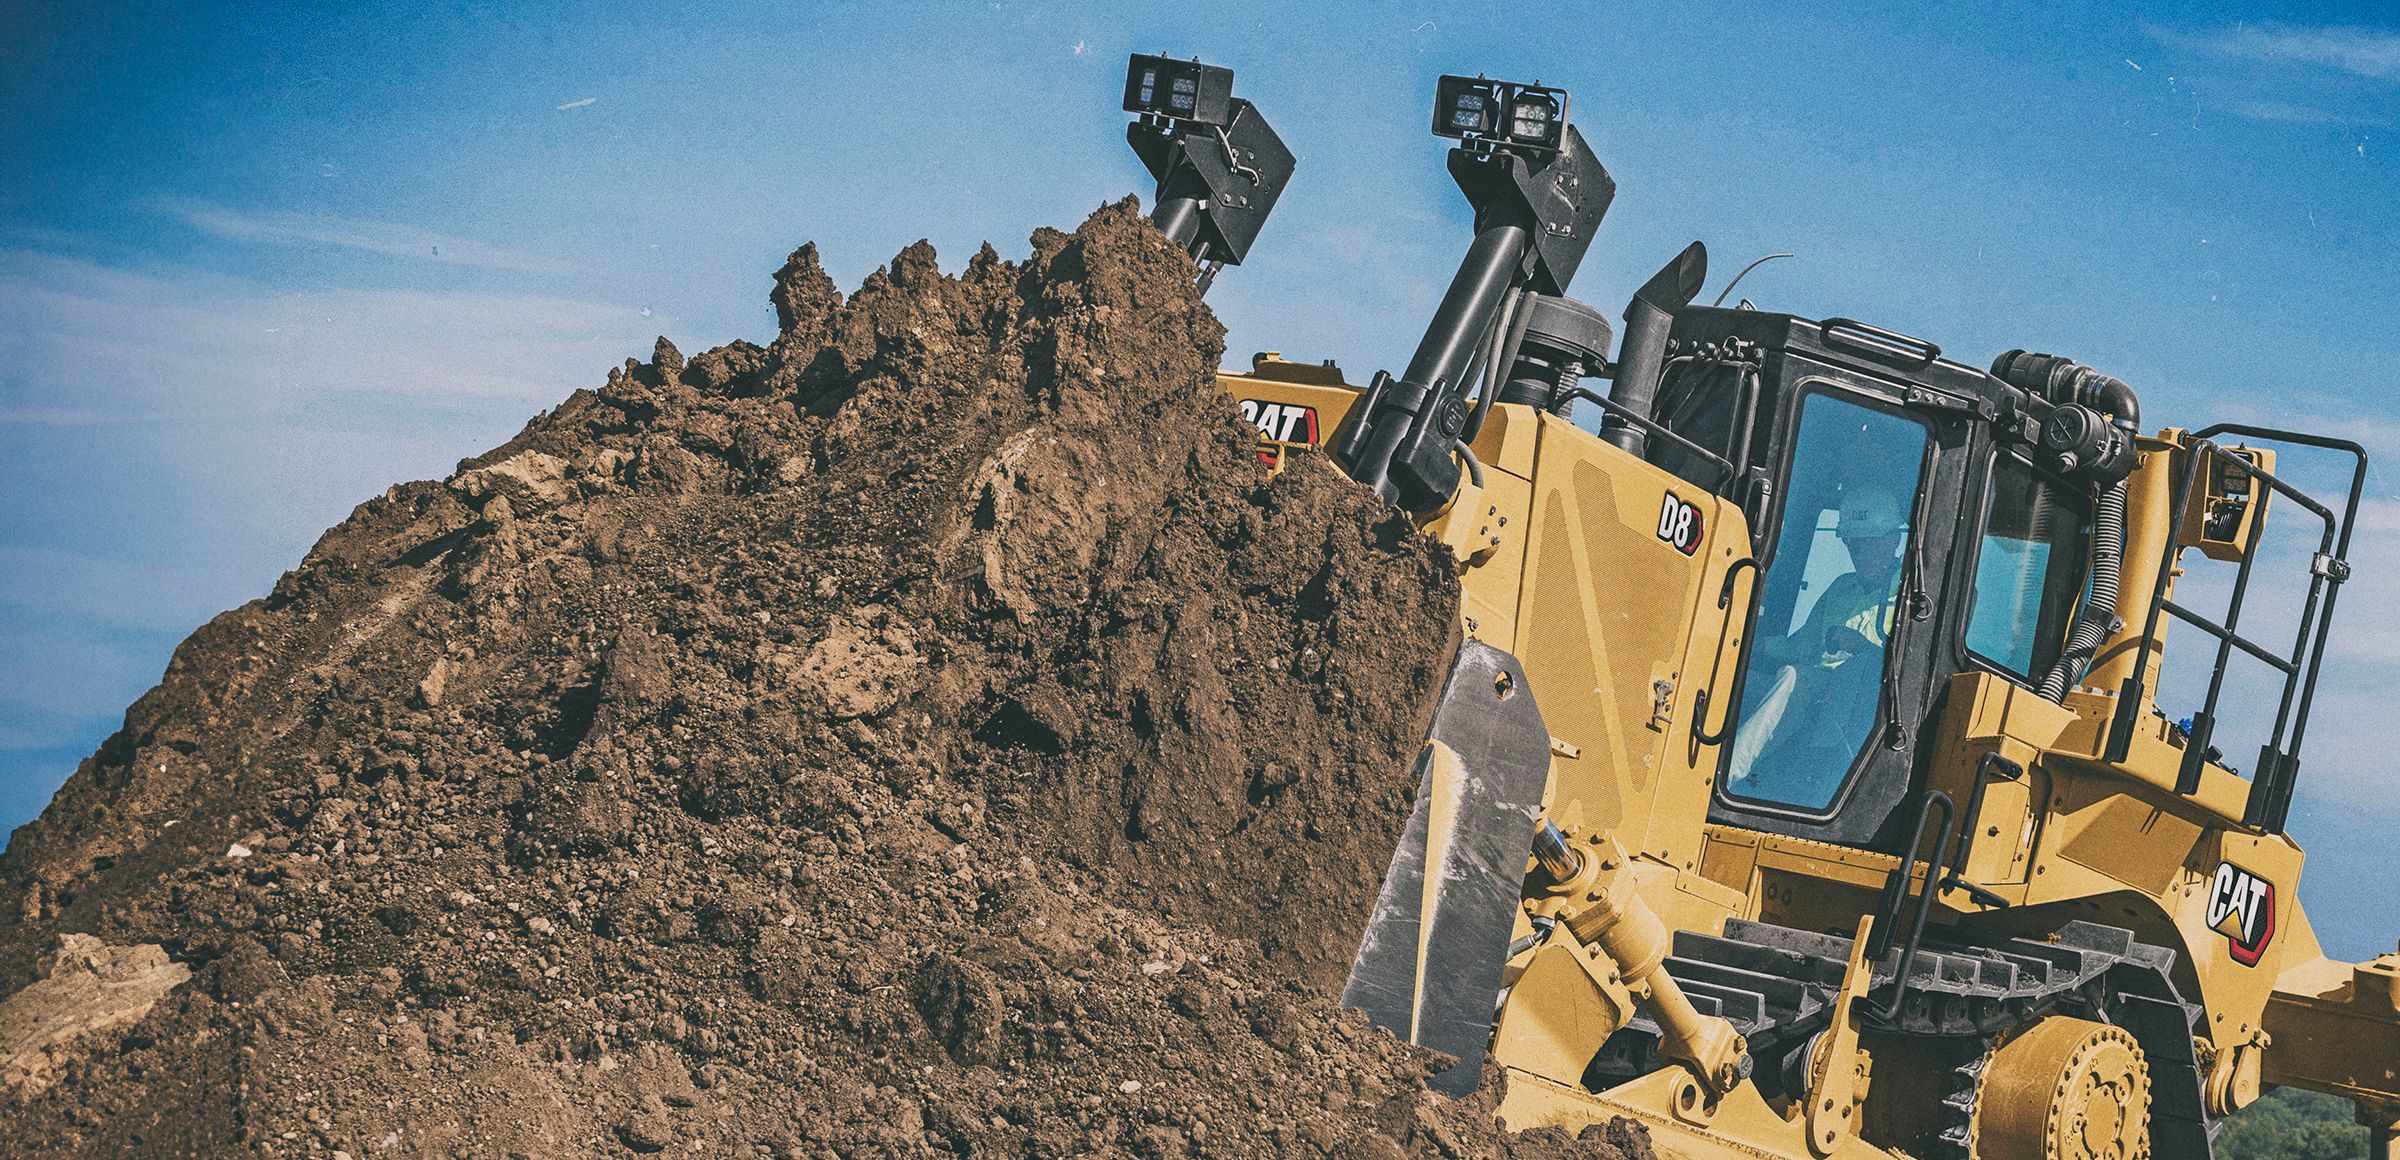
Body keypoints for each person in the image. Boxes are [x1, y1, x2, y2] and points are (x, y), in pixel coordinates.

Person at [1729, 487, 1908, 806]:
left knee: (1792, 679)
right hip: (1814, 686)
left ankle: (1729, 775)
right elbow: (1801, 646)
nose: (1859, 553)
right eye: (1854, 543)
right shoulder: (1841, 588)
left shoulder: (1910, 596)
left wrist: (1863, 647)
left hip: (1861, 700)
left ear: (1894, 539)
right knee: (1733, 679)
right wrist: (1742, 643)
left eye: (1869, 543)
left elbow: (1909, 670)